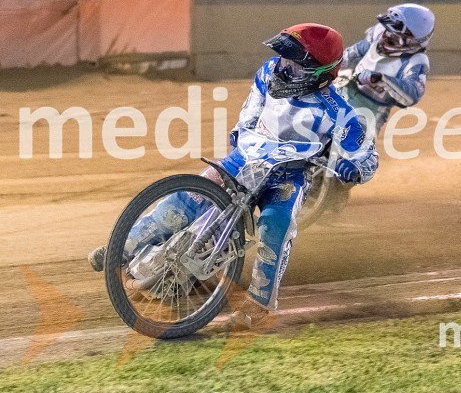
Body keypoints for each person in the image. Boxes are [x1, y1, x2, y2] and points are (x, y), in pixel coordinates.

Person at [88, 23, 378, 330]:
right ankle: (123, 246)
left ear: (318, 71)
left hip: (286, 176)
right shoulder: (268, 72)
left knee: (275, 226)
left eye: (293, 62)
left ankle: (260, 302)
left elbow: (368, 161)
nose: (282, 65)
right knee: (183, 201)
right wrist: (242, 130)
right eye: (283, 57)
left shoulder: (341, 114)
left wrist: (352, 169)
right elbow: (251, 109)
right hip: (245, 158)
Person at [336, 4, 435, 133]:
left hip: (368, 114)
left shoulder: (415, 62)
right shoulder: (377, 36)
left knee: (345, 145)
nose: (386, 37)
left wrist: (382, 79)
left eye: (394, 37)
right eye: (387, 30)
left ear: (412, 42)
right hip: (339, 94)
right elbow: (352, 54)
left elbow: (412, 95)